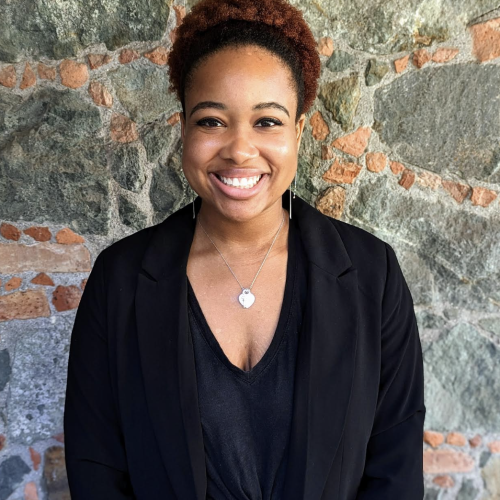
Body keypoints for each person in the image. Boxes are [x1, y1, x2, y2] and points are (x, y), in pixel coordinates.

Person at [63, 0, 426, 498]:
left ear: (298, 130)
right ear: (184, 127)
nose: (238, 148)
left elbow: (396, 470)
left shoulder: (372, 276)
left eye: (268, 122)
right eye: (212, 121)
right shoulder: (120, 281)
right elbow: (96, 466)